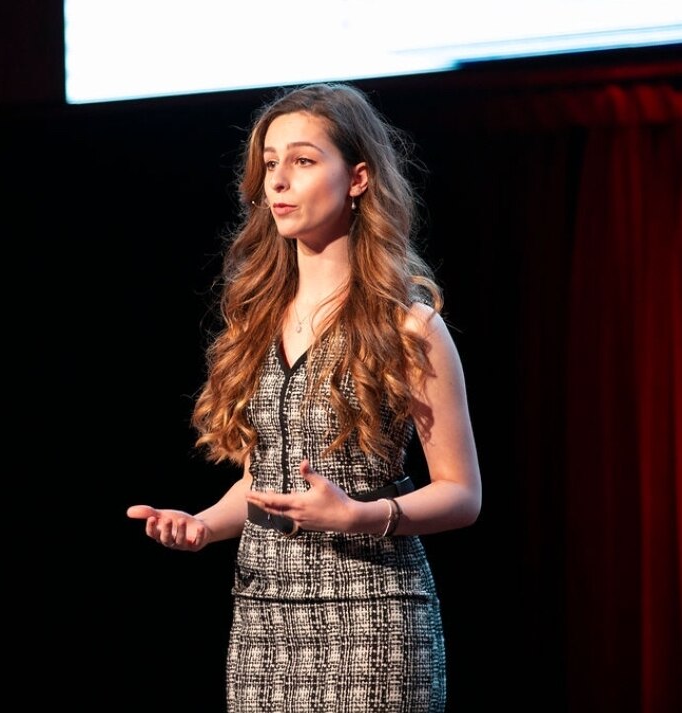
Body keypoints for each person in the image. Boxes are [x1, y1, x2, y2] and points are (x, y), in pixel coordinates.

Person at [126, 82, 482, 713]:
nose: (278, 182)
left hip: (374, 611)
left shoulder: (409, 326)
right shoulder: (256, 322)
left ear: (358, 179)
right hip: (264, 617)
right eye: (269, 164)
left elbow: (462, 493)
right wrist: (203, 525)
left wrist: (361, 515)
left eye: (303, 160)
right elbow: (267, 481)